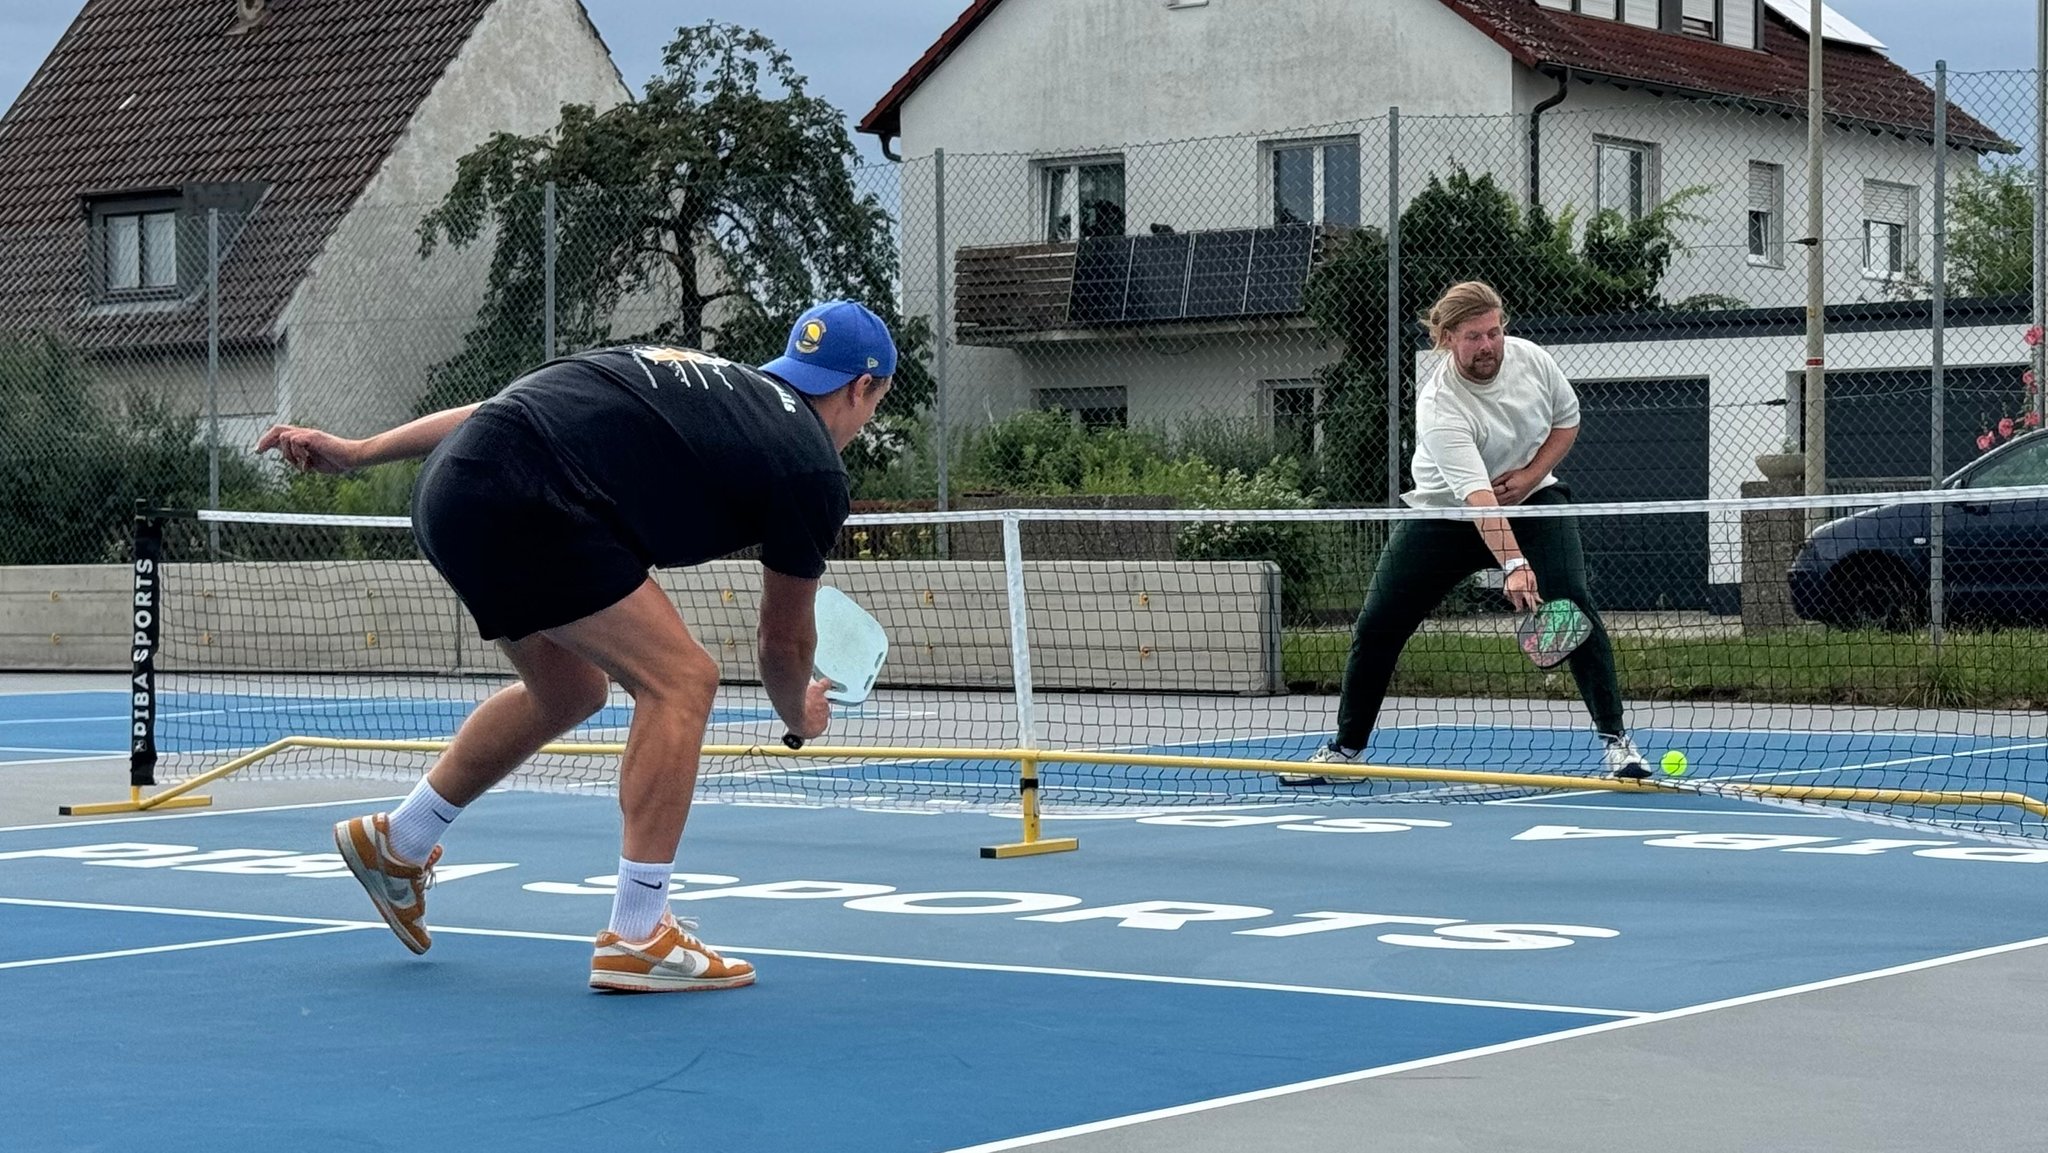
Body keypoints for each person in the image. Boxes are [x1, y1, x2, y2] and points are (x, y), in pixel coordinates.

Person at [256, 301, 896, 992]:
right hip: (530, 496)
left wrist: (359, 452)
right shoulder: (810, 464)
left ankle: (400, 841)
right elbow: (782, 639)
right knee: (681, 680)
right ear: (863, 388)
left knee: (570, 689)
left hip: (451, 489)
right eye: (873, 405)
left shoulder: (709, 381)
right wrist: (798, 714)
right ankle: (640, 932)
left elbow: (503, 408)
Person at [1285, 281, 1649, 785]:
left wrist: (1528, 476)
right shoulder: (1440, 403)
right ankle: (1346, 752)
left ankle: (1618, 745)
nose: (1488, 346)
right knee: (1378, 625)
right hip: (1446, 515)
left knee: (1573, 606)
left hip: (1533, 500)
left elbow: (1567, 421)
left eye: (1495, 332)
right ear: (1448, 338)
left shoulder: (1533, 361)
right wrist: (1515, 566)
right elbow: (1478, 500)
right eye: (1474, 336)